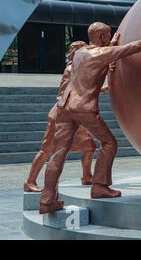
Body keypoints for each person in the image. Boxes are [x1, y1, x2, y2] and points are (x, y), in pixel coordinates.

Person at [39, 23, 141, 214]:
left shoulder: (80, 52)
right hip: (83, 107)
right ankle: (100, 186)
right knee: (109, 143)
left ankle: (47, 200)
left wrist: (112, 44)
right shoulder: (101, 54)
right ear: (102, 38)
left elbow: (106, 53)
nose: (109, 39)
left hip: (65, 106)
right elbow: (130, 49)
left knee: (59, 153)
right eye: (108, 36)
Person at [24, 41, 98, 192]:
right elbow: (63, 94)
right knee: (46, 149)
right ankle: (30, 181)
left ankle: (86, 176)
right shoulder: (71, 69)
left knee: (89, 146)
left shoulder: (77, 69)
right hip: (61, 114)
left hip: (74, 114)